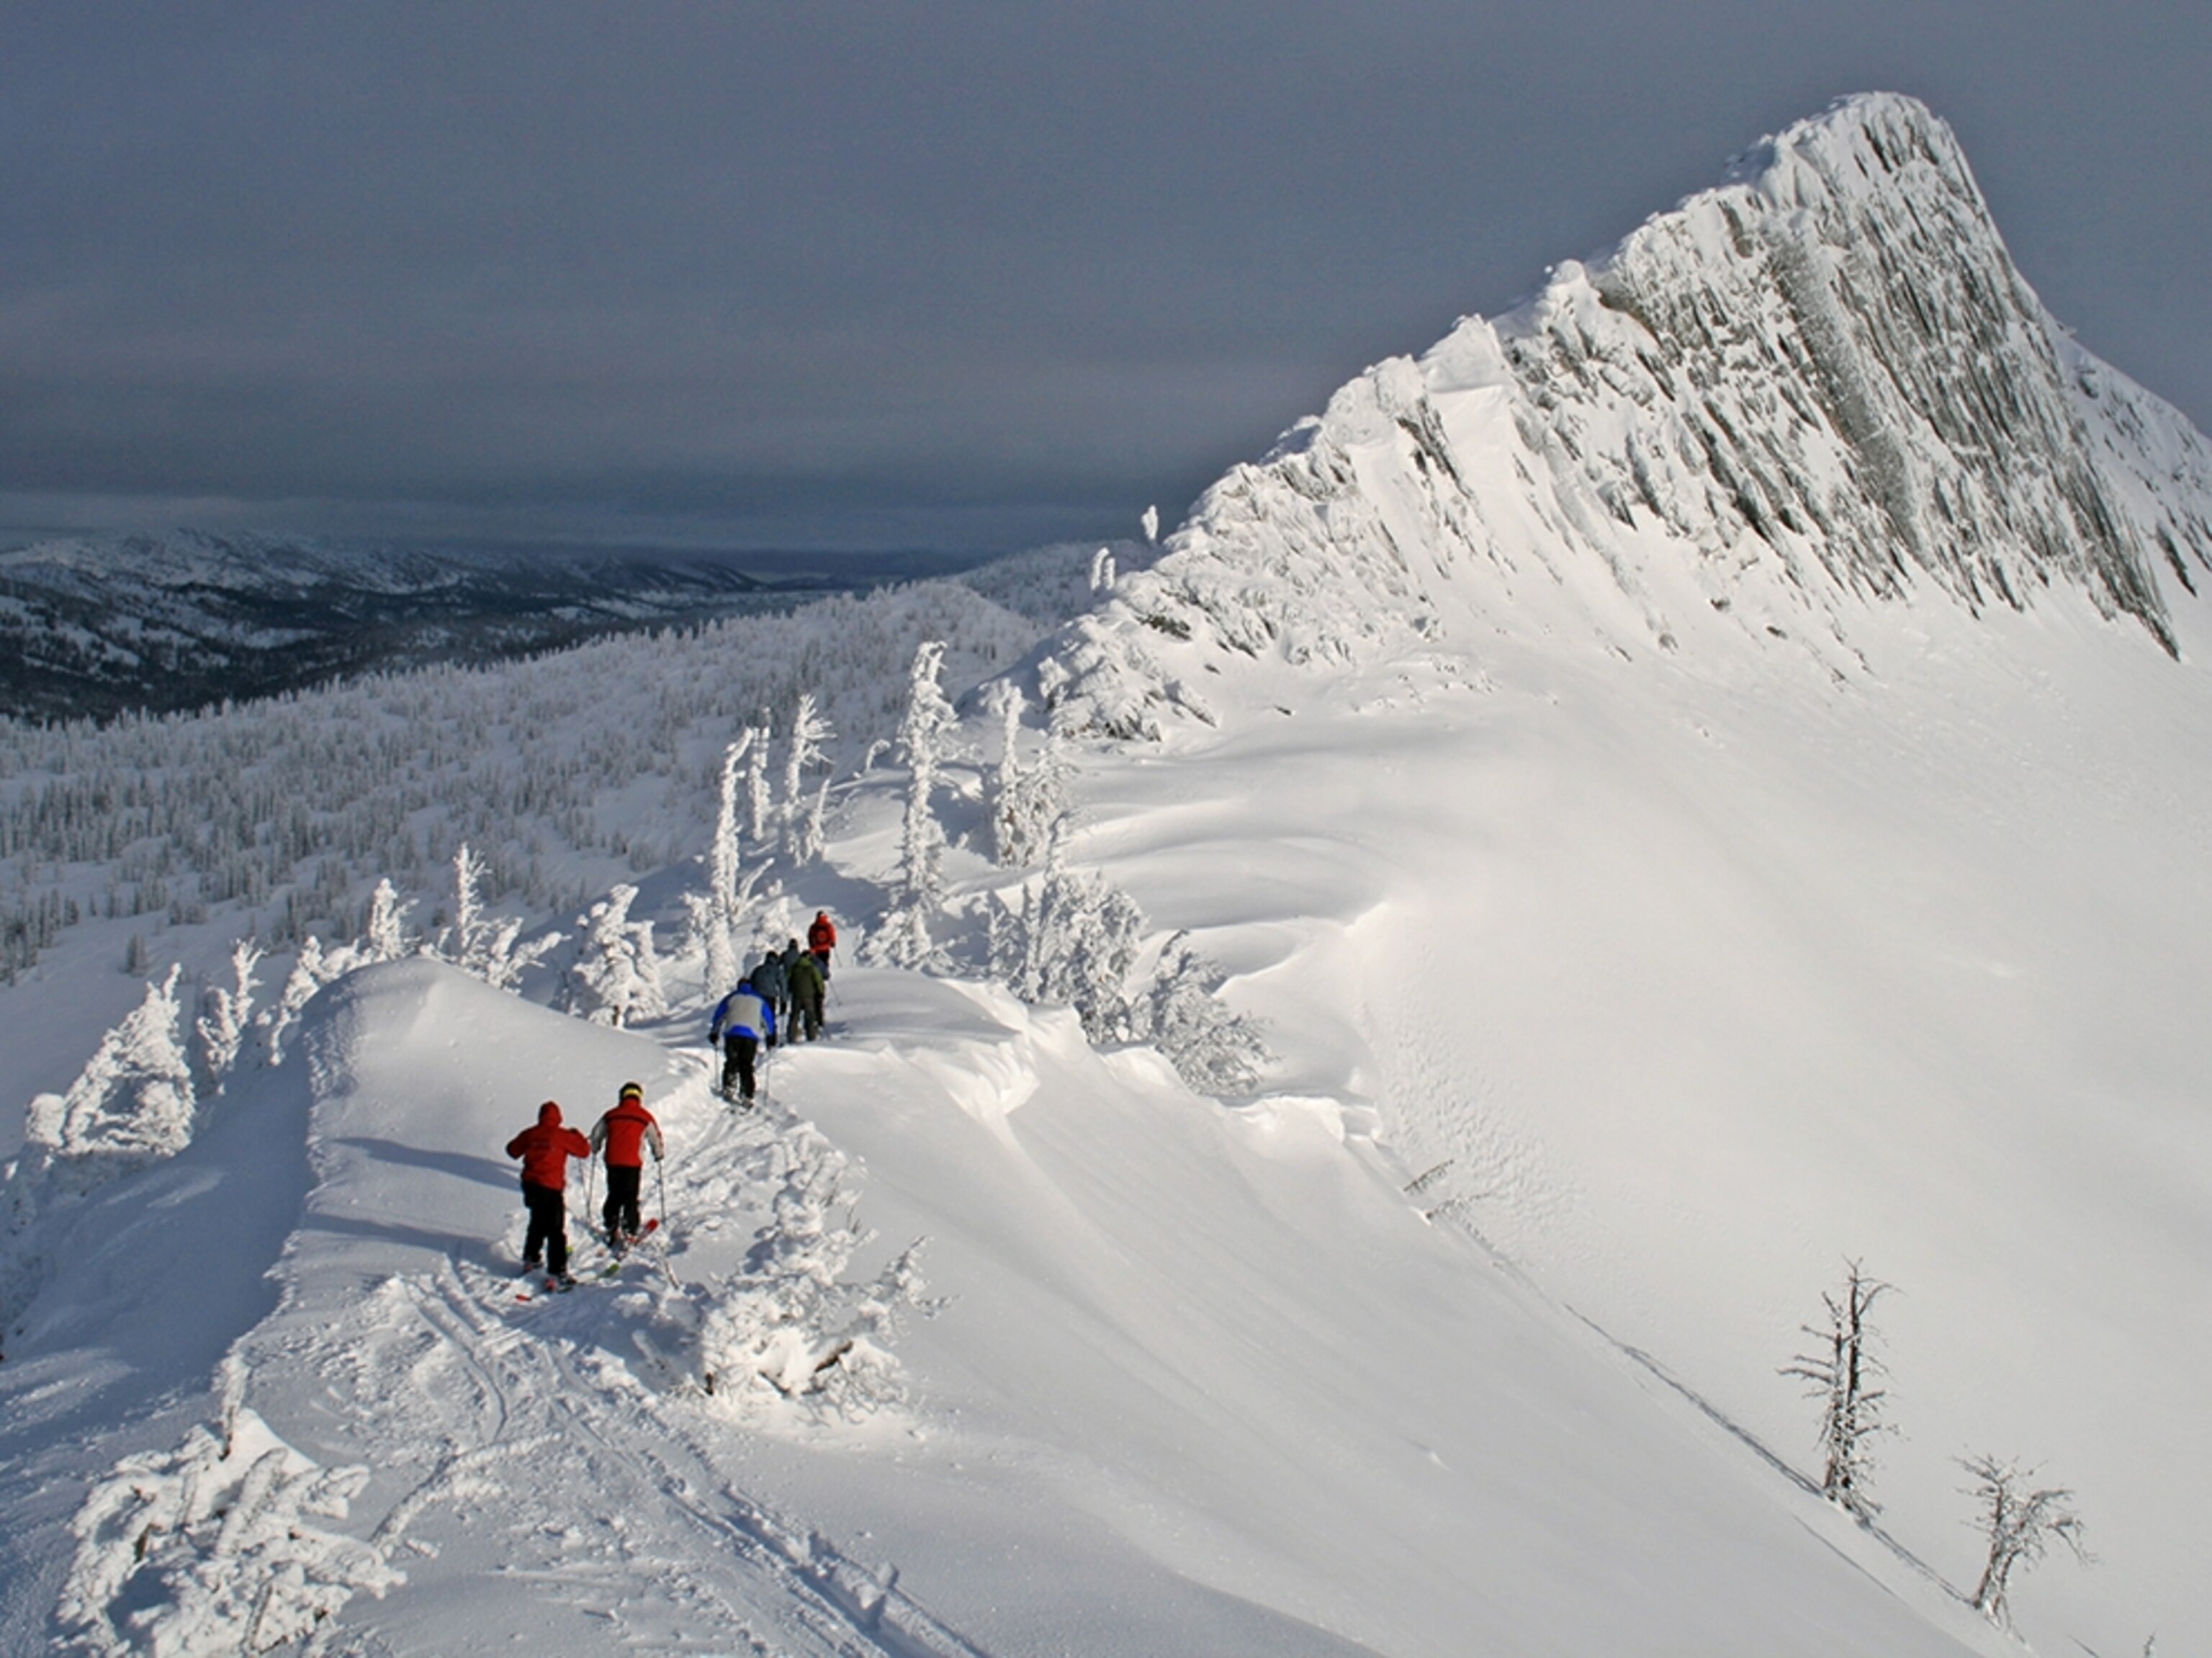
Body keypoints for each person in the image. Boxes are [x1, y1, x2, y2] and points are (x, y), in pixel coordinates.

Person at [505, 1100, 591, 1285]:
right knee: (555, 1229)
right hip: (550, 1187)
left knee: (537, 1221)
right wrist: (577, 1135)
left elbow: (512, 1150)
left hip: (530, 1185)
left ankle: (531, 1257)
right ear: (558, 1118)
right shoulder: (561, 1135)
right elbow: (584, 1151)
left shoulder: (531, 1133)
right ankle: (557, 1270)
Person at [590, 1080, 665, 1250]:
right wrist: (658, 1154)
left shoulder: (611, 1115)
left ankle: (611, 1223)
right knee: (630, 1196)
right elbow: (655, 1137)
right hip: (632, 1162)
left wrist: (595, 1147)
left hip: (612, 1160)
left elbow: (596, 1134)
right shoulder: (644, 1116)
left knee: (614, 1193)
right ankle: (630, 1229)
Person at [709, 974, 775, 1106]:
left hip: (733, 1033)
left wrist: (714, 1032)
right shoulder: (759, 999)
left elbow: (719, 1016)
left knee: (732, 1061)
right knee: (746, 1064)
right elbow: (768, 1020)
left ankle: (729, 1086)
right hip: (751, 1035)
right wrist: (771, 1036)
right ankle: (747, 1094)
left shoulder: (731, 998)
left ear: (739, 986)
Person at [786, 938, 826, 1041]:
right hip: (809, 996)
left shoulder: (794, 967)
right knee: (810, 1017)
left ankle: (791, 1036)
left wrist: (789, 990)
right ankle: (811, 1037)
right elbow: (818, 981)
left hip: (796, 995)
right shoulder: (812, 968)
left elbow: (787, 978)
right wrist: (820, 992)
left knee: (795, 1016)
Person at [750, 948, 789, 1038]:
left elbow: (751, 983)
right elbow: (783, 985)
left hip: (757, 997)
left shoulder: (758, 969)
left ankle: (754, 1039)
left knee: (757, 1019)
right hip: (770, 997)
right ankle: (771, 1040)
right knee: (770, 1018)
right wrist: (784, 1001)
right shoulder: (777, 970)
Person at [807, 910, 837, 979]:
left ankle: (818, 975)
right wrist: (833, 942)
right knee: (825, 962)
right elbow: (832, 935)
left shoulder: (813, 926)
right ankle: (825, 975)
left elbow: (810, 937)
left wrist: (812, 946)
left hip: (816, 948)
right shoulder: (828, 925)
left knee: (817, 963)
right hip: (826, 948)